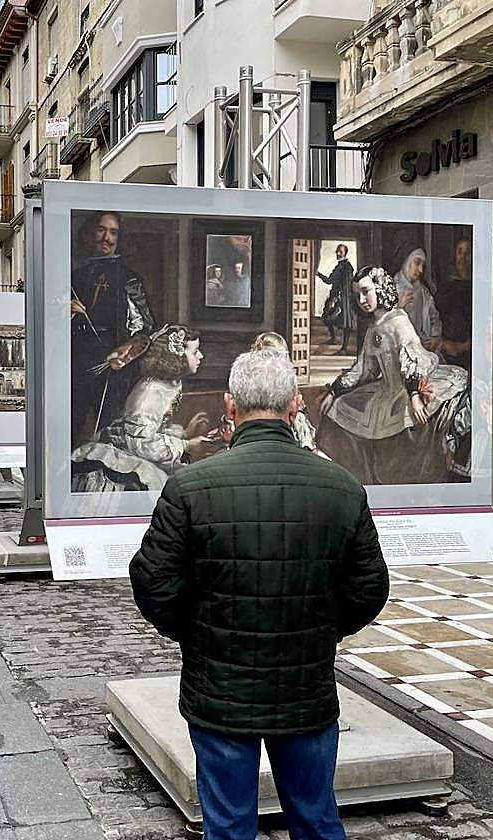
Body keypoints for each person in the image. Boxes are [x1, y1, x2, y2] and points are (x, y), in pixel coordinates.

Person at [130, 349, 389, 840]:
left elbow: (153, 583)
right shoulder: (341, 487)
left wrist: (198, 634)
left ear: (231, 406)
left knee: (228, 827)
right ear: (295, 406)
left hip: (220, 692)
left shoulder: (190, 486)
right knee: (315, 819)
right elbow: (369, 588)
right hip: (306, 689)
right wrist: (324, 630)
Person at [318, 266, 471, 484]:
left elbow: (412, 362)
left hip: (412, 384)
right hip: (387, 390)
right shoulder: (374, 329)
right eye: (357, 294)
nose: (362, 299)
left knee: (413, 428)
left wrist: (415, 395)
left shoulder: (399, 322)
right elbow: (365, 370)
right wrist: (335, 391)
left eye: (366, 291)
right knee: (338, 407)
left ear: (380, 289)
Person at [71, 325, 213, 493]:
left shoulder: (169, 383)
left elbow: (153, 430)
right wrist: (186, 445)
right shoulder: (151, 392)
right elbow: (141, 443)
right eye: (195, 351)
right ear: (178, 355)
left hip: (138, 447)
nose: (201, 356)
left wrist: (185, 433)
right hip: (123, 459)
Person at [70, 211, 155, 446]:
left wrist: (123, 354)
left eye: (113, 232)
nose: (106, 238)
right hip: (75, 367)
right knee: (71, 431)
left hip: (113, 371)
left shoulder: (128, 279)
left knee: (107, 436)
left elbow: (144, 330)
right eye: (101, 230)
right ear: (89, 234)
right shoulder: (73, 278)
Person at [434, 236, 473, 370]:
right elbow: (436, 318)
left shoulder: (478, 288)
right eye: (459, 252)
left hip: (471, 354)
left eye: (468, 253)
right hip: (446, 353)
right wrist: (442, 343)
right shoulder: (445, 289)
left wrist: (465, 346)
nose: (462, 258)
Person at [394, 248, 442, 353]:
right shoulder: (392, 288)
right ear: (406, 262)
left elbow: (434, 317)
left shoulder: (424, 292)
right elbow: (382, 325)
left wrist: (435, 335)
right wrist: (398, 307)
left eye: (422, 265)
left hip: (424, 349)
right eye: (417, 263)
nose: (420, 270)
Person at [318, 244, 356, 353]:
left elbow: (346, 284)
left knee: (346, 323)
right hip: (335, 296)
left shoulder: (347, 267)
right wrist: (318, 274)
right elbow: (329, 280)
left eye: (340, 252)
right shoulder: (339, 266)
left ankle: (344, 347)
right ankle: (334, 338)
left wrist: (337, 299)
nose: (338, 253)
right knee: (326, 317)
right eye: (337, 251)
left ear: (345, 253)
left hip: (343, 298)